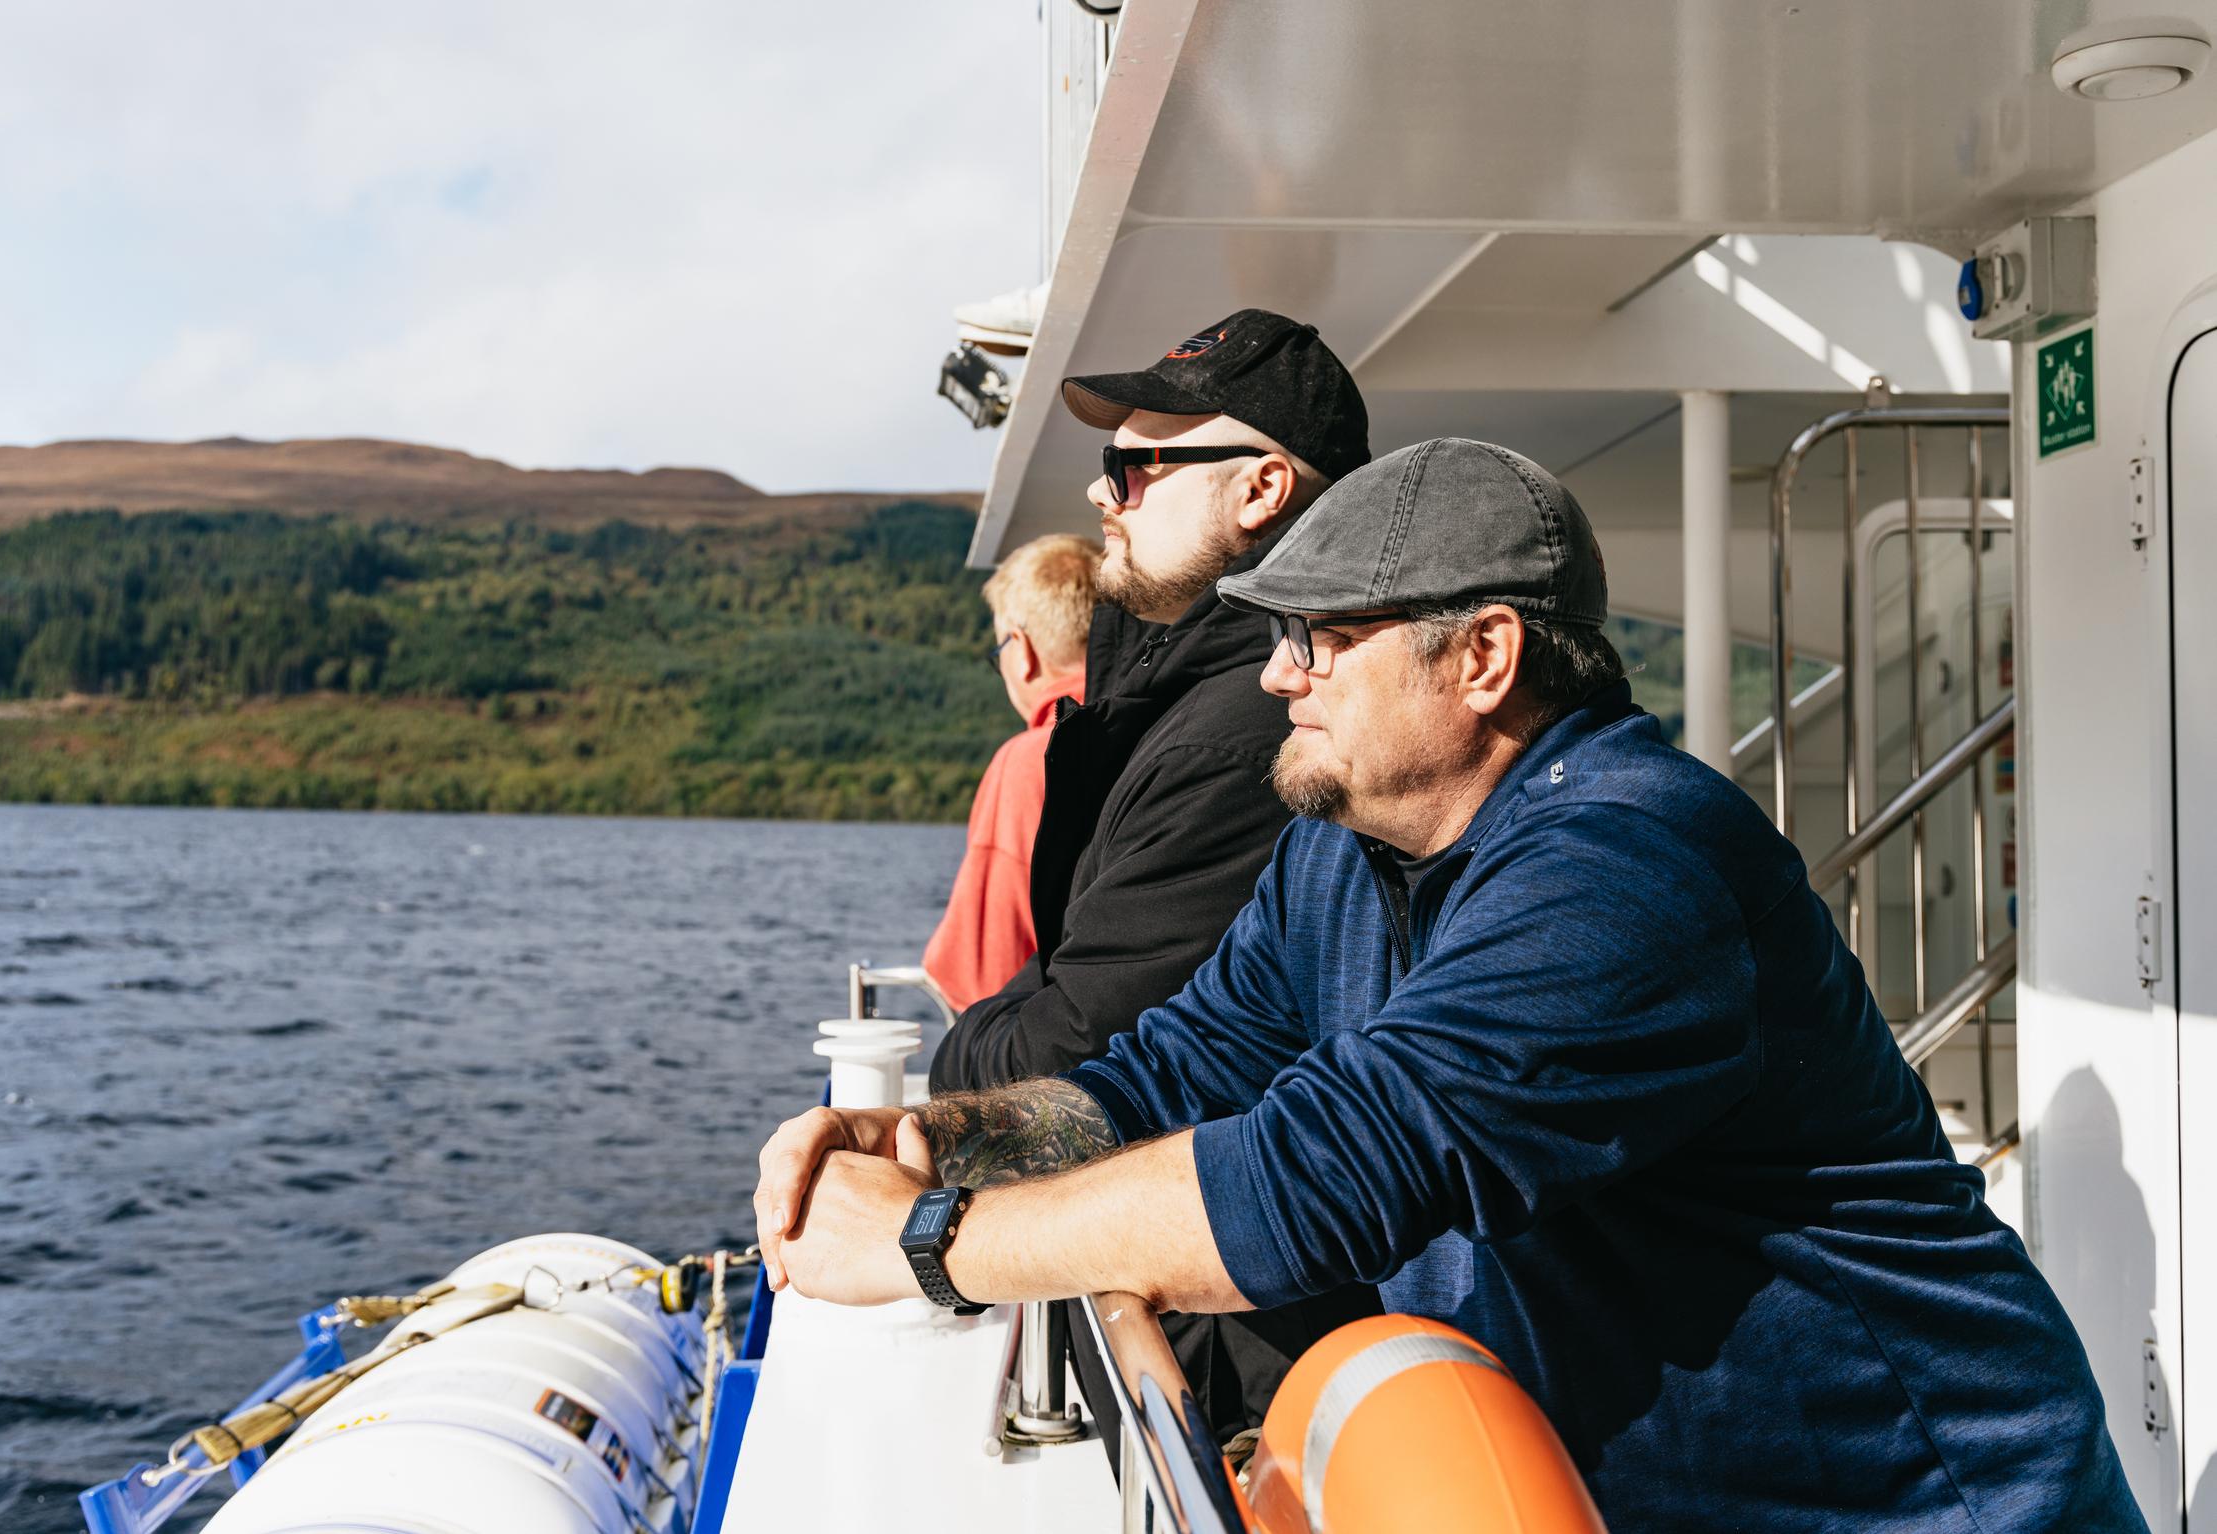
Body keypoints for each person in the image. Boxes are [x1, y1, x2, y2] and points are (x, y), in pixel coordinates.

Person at [755, 437, 2145, 1532]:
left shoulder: (1631, 865)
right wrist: (931, 1141)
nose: (1280, 677)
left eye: (1320, 637)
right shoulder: (1344, 851)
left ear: (1482, 657)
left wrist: (923, 1243)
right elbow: (1166, 1077)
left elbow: (1319, 1178)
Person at [924, 308, 1382, 1454]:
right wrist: (943, 1129)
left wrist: (945, 1101)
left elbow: (1080, 1036)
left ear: (1260, 487)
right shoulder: (1175, 711)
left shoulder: (1242, 737)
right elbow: (1163, 1040)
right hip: (1221, 1323)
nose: (1101, 492)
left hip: (1247, 1363)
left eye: (1135, 467)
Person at [920, 533, 1097, 1014]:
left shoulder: (1032, 759)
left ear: (1022, 649)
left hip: (1054, 1042)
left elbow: (979, 976)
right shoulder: (1162, 726)